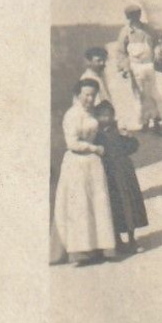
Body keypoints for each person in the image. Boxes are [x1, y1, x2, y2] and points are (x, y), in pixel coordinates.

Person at [51, 79, 117, 266]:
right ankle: (81, 251)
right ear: (78, 94)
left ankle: (99, 247)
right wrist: (94, 148)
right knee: (80, 205)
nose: (89, 99)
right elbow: (72, 143)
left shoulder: (93, 113)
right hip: (77, 163)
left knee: (96, 203)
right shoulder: (72, 115)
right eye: (86, 94)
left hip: (93, 165)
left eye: (92, 95)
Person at [93, 102, 146, 258]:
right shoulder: (96, 135)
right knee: (113, 207)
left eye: (108, 114)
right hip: (109, 175)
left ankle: (131, 238)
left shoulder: (119, 132)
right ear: (97, 117)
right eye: (101, 115)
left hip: (124, 173)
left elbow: (133, 147)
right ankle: (117, 240)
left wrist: (130, 138)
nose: (105, 118)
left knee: (129, 205)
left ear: (113, 115)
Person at [115, 3, 162, 134]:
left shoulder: (148, 30)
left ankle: (157, 122)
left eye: (137, 15)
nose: (135, 18)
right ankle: (145, 122)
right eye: (131, 16)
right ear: (128, 17)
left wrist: (159, 53)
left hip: (149, 66)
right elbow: (121, 52)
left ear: (140, 15)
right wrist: (124, 68)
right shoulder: (125, 32)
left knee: (153, 94)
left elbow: (156, 44)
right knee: (140, 96)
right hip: (135, 67)